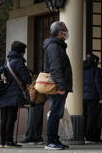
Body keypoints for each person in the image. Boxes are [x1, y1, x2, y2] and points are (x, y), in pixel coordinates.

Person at [42, 21, 73, 151]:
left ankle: (54, 139)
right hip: (57, 86)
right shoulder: (54, 47)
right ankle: (51, 141)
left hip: (58, 85)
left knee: (57, 112)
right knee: (55, 113)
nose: (67, 32)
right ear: (60, 33)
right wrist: (61, 86)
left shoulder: (57, 46)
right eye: (65, 30)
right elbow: (55, 68)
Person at [0, 41, 33, 149]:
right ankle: (9, 141)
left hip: (4, 93)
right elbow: (27, 79)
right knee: (11, 118)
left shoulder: (7, 62)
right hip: (14, 94)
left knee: (4, 118)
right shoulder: (18, 62)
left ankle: (2, 141)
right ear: (21, 51)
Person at [81, 53, 102, 144]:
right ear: (95, 60)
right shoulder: (96, 70)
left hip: (81, 96)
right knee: (91, 117)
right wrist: (101, 97)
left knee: (84, 116)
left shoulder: (80, 68)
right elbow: (99, 84)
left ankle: (82, 135)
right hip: (92, 97)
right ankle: (88, 136)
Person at [20, 75, 46, 145]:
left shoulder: (27, 75)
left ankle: (30, 138)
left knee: (32, 119)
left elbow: (32, 88)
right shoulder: (31, 74)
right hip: (40, 99)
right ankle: (38, 138)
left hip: (36, 100)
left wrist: (32, 100)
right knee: (38, 120)